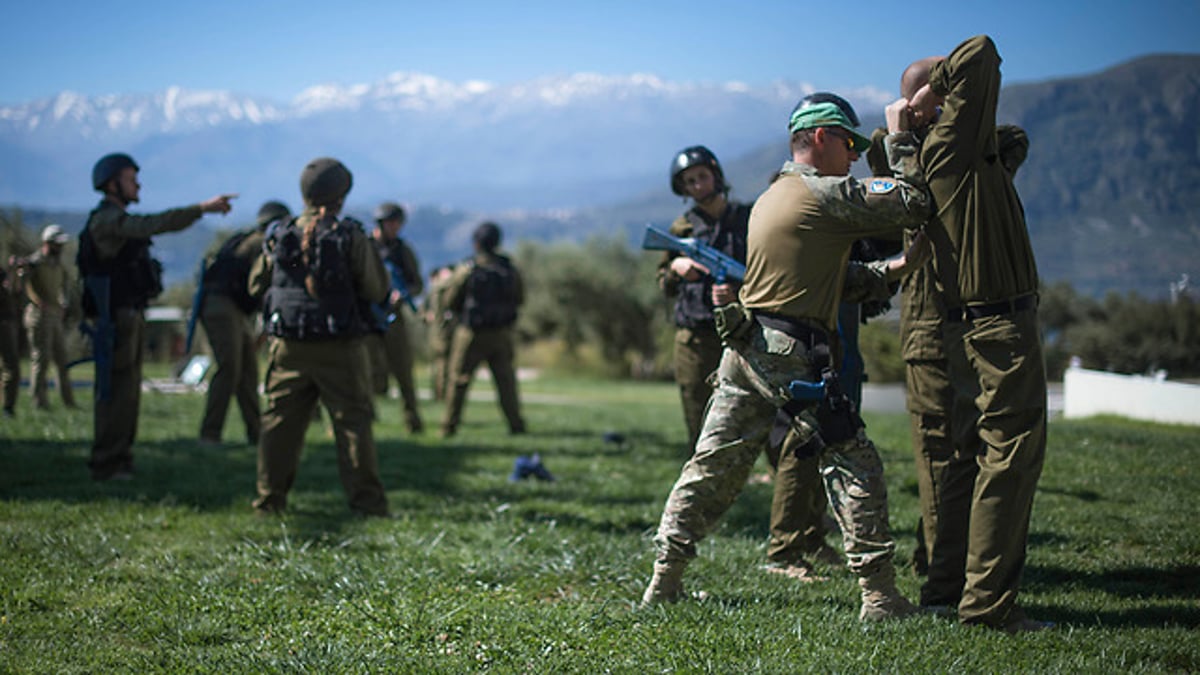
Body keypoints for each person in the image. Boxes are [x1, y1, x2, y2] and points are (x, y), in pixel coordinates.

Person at [641, 92, 932, 621]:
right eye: (848, 144)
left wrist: (891, 270)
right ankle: (880, 596)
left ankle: (665, 579)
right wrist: (902, 139)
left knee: (713, 466)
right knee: (853, 461)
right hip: (791, 353)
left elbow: (815, 279)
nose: (852, 156)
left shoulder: (775, 195)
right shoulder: (824, 193)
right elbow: (915, 201)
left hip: (748, 349)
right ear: (821, 138)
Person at [900, 35, 1051, 633]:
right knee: (1009, 456)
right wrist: (930, 94)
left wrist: (907, 129)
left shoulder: (940, 154)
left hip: (971, 324)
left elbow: (1013, 139)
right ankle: (988, 606)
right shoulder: (950, 147)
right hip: (998, 322)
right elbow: (982, 52)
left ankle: (951, 588)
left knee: (969, 458)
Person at [78, 152, 234, 482]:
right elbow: (154, 224)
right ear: (112, 184)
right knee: (115, 392)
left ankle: (119, 458)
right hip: (114, 317)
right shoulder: (106, 220)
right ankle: (106, 461)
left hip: (129, 314)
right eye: (131, 179)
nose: (138, 185)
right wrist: (202, 209)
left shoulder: (113, 218)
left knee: (128, 391)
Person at [250, 157, 391, 517]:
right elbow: (376, 289)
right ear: (341, 195)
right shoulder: (350, 235)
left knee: (279, 424)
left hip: (288, 345)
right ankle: (368, 504)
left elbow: (256, 285)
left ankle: (270, 501)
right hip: (340, 345)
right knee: (352, 423)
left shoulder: (280, 233)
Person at [197, 200, 291, 446]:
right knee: (229, 368)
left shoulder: (246, 239)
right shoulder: (261, 245)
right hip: (221, 306)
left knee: (248, 371)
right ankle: (210, 434)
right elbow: (262, 288)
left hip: (231, 308)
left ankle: (257, 435)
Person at [439, 222, 525, 438]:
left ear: (476, 243)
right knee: (506, 382)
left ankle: (449, 426)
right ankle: (516, 425)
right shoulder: (508, 269)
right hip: (502, 333)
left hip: (471, 333)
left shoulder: (467, 268)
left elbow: (450, 300)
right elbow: (520, 298)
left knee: (458, 381)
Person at [368, 201, 425, 433]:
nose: (395, 228)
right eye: (392, 223)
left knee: (403, 371)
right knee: (367, 373)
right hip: (368, 319)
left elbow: (417, 284)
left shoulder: (403, 251)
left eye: (398, 223)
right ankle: (365, 422)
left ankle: (413, 422)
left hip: (394, 318)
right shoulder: (365, 248)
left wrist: (404, 295)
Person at [18, 225, 77, 410]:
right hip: (38, 316)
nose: (60, 248)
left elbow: (65, 284)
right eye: (56, 244)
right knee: (41, 360)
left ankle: (68, 402)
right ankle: (39, 402)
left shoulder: (58, 264)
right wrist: (37, 299)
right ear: (47, 243)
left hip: (55, 316)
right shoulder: (34, 262)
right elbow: (22, 285)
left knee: (62, 360)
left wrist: (63, 302)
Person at [422, 265, 457, 402]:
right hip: (438, 333)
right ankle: (440, 395)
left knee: (449, 365)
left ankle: (445, 394)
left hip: (451, 332)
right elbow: (422, 311)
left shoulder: (451, 290)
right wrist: (428, 316)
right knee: (440, 365)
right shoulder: (434, 291)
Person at [0, 260, 22, 417]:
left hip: (6, 323)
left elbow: (14, 290)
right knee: (11, 368)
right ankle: (8, 408)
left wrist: (13, 272)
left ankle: (8, 407)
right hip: (4, 323)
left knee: (11, 368)